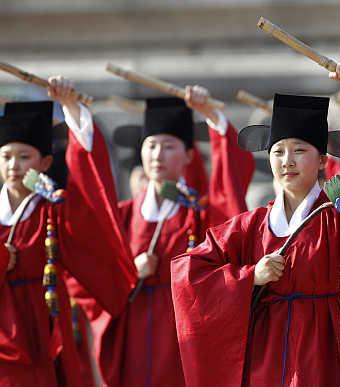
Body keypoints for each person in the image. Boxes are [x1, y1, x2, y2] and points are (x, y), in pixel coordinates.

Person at [171, 59, 340, 386]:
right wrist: (250, 276)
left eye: (299, 151)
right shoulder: (251, 226)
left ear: (322, 160)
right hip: (267, 362)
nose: (287, 161)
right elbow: (189, 273)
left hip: (327, 357)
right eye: (278, 152)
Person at [90, 86, 255, 387]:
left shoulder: (201, 213)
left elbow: (228, 192)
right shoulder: (124, 214)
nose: (157, 155)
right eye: (151, 146)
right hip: (135, 330)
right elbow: (94, 265)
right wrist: (130, 274)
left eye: (168, 147)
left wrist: (212, 116)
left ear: (189, 155)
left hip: (182, 329)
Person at [0, 78, 136, 386]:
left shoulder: (54, 210)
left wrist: (72, 109)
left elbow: (90, 200)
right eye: (7, 157)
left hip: (44, 324)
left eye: (25, 157)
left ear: (44, 163)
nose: (14, 166)